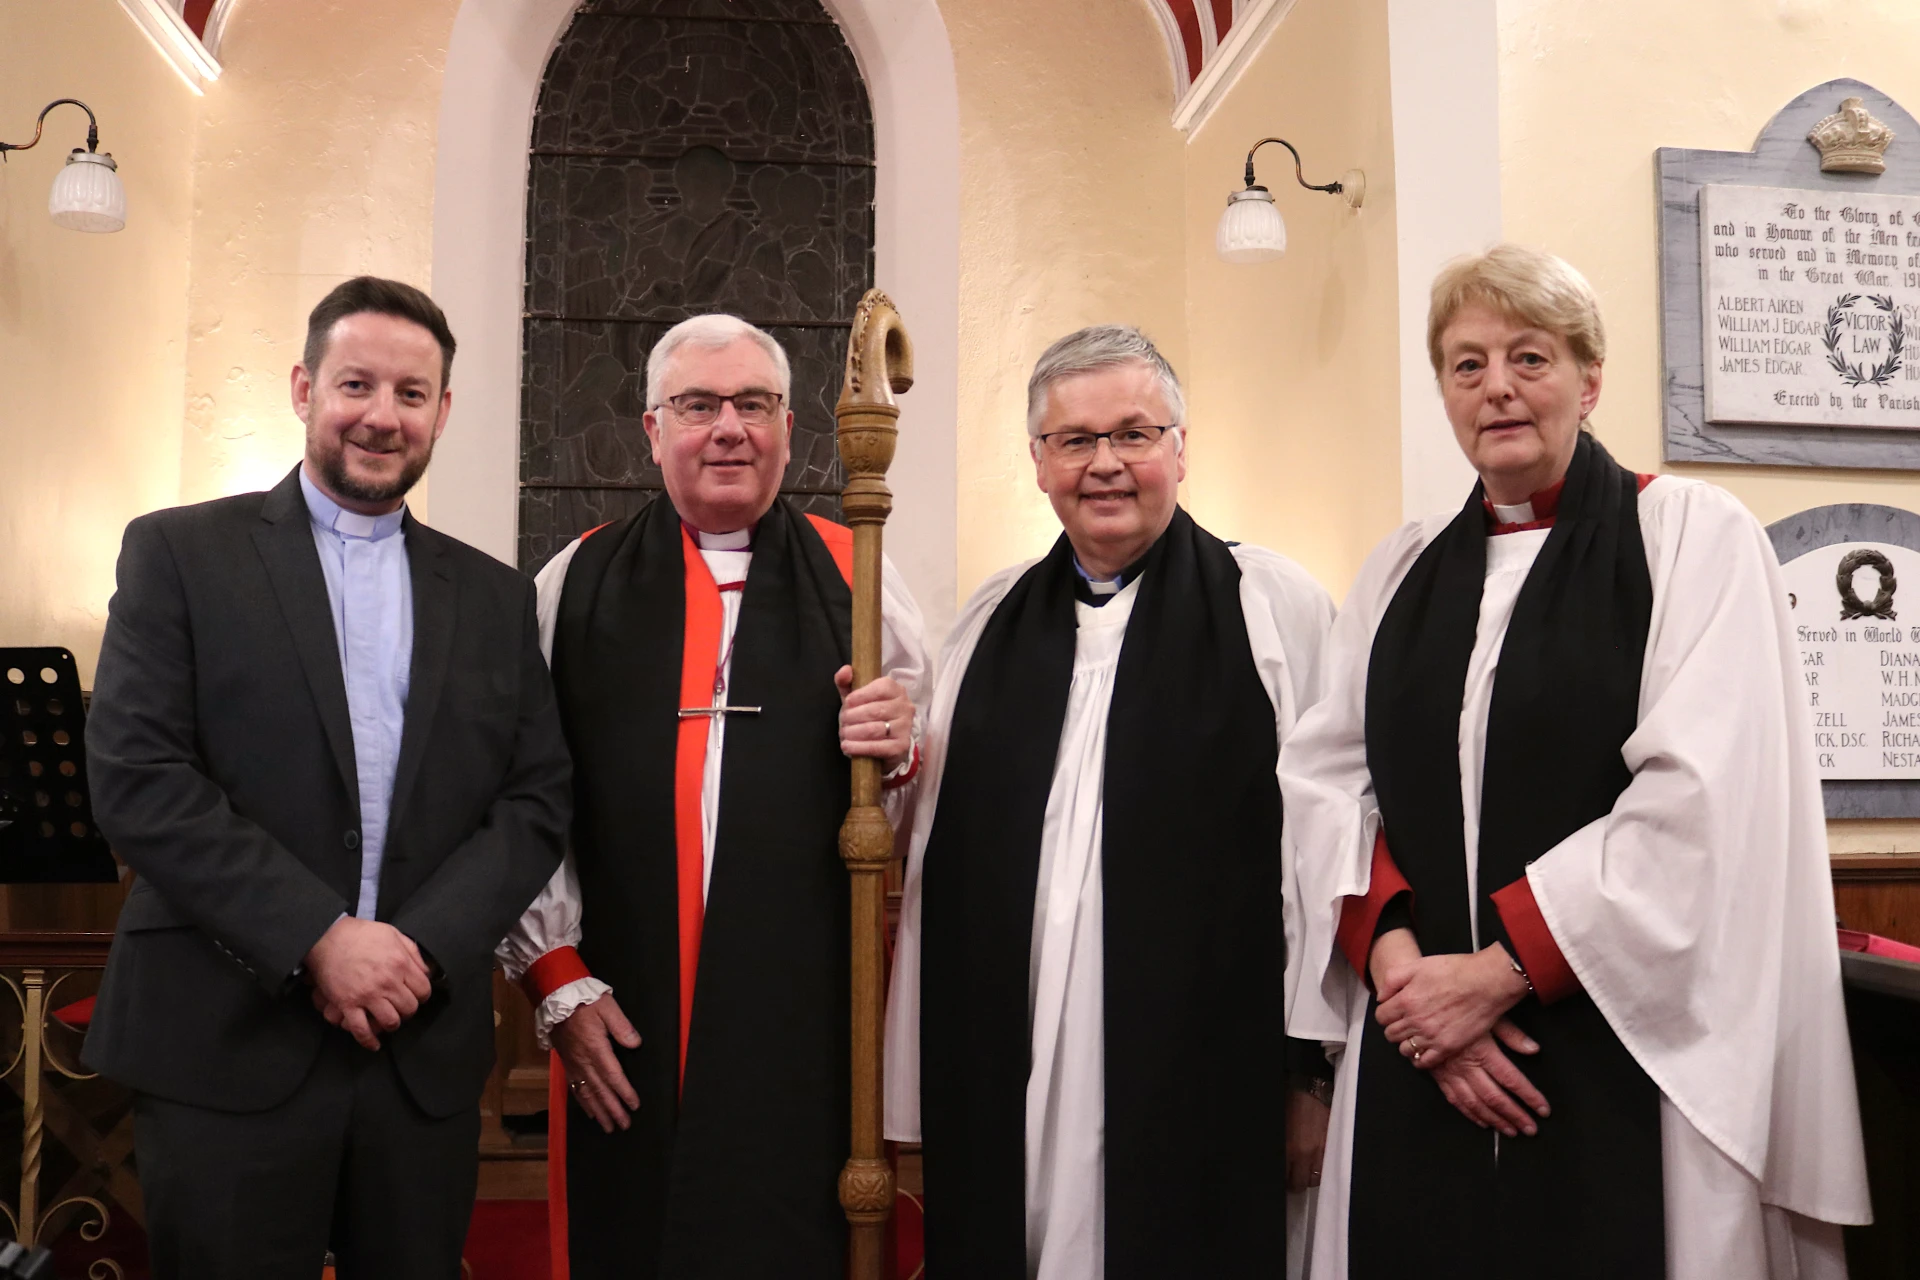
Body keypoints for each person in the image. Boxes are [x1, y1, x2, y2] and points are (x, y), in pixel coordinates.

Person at [1280, 244, 1872, 1279]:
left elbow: (1702, 798)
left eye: (1529, 356)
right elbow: (1327, 785)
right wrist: (1410, 979)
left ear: (1590, 379)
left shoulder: (1688, 537)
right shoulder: (1402, 570)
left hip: (1629, 1048)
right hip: (1417, 1044)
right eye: (1466, 365)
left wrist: (1500, 974)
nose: (1497, 386)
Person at [83, 277, 572, 1280]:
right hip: (224, 1036)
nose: (381, 415)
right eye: (357, 383)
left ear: (442, 410)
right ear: (305, 387)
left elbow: (534, 799)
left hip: (416, 1051)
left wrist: (415, 952)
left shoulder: (490, 594)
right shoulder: (179, 552)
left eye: (411, 392)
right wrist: (318, 936)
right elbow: (140, 778)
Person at [885, 325, 1337, 1279]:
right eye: (1074, 441)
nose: (1105, 465)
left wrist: (1311, 1070)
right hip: (1015, 1049)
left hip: (1206, 1064)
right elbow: (930, 849)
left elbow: (1322, 853)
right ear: (1039, 465)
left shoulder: (1272, 606)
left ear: (1180, 448)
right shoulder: (990, 621)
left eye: (1134, 434)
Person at [497, 314, 929, 1278]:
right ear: (653, 431)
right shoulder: (576, 580)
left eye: (755, 404)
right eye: (699, 405)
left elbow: (921, 793)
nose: (729, 427)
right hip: (620, 984)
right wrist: (555, 973)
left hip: (808, 997)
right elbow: (522, 790)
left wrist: (900, 750)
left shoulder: (857, 573)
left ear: (789, 428)